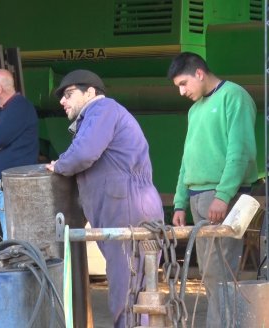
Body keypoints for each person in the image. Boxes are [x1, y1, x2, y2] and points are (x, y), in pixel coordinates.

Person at [46, 69, 164, 327]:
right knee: (135, 286)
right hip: (128, 204)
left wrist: (60, 165)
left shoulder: (101, 109)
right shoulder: (101, 115)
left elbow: (84, 152)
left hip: (127, 206)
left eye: (68, 94)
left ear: (90, 92)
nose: (62, 102)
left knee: (127, 288)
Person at [168, 52, 258, 327]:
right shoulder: (195, 110)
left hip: (220, 196)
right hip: (197, 196)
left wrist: (222, 195)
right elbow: (187, 159)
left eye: (184, 84)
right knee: (209, 274)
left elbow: (239, 150)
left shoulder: (234, 96)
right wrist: (180, 202)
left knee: (221, 272)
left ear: (199, 73)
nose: (182, 92)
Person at [0, 69, 39, 240]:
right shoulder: (6, 110)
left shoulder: (18, 108)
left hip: (12, 188)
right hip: (7, 187)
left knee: (14, 240)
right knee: (13, 237)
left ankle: (17, 267)